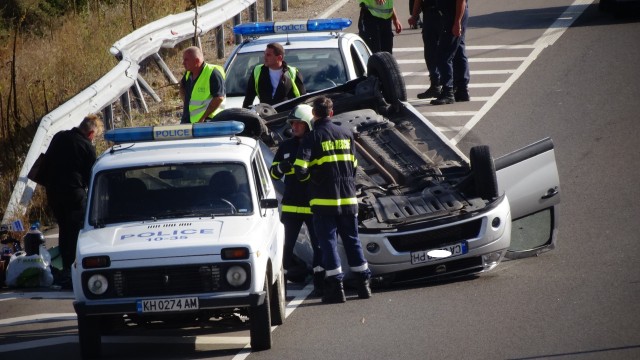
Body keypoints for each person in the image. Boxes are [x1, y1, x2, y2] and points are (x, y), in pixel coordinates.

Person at [294, 96, 372, 304]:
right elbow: (354, 165)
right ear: (331, 112)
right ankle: (364, 285)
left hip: (323, 201)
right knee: (352, 240)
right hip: (348, 198)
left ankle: (336, 289)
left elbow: (300, 170)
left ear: (314, 114)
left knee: (328, 244)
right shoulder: (346, 133)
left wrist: (312, 178)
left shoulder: (313, 137)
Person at [270, 104, 324, 296]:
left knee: (319, 246)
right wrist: (280, 169)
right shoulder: (285, 146)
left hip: (313, 205)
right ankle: (280, 287)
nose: (294, 126)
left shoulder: (315, 144)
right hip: (292, 206)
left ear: (308, 124)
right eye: (292, 123)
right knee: (284, 247)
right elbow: (273, 175)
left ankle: (320, 283)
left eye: (299, 123)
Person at [44, 114, 103, 288]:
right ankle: (74, 271)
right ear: (91, 134)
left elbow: (46, 163)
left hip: (54, 194)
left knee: (64, 230)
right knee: (77, 233)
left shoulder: (59, 137)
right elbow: (92, 176)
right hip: (74, 195)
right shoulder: (86, 147)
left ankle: (65, 272)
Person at [431, 0, 471, 105]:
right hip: (453, 15)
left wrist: (457, 22)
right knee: (458, 52)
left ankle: (448, 92)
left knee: (443, 56)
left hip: (454, 17)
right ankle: (462, 91)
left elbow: (460, 1)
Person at [242, 43, 306, 108]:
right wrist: (244, 115)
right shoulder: (258, 70)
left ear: (279, 58)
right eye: (265, 54)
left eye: (268, 55)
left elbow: (302, 99)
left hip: (286, 115)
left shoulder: (293, 72)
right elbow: (249, 97)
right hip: (265, 115)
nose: (264, 57)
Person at [180, 46, 226, 123]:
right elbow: (182, 87)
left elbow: (219, 98)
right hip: (188, 119)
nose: (183, 63)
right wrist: (186, 102)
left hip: (207, 121)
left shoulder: (213, 73)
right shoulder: (188, 73)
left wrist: (202, 118)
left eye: (186, 60)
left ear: (197, 61)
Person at [409, 0, 443, 99]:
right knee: (441, 52)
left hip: (433, 15)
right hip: (442, 13)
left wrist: (414, 16)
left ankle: (439, 86)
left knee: (432, 53)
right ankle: (442, 86)